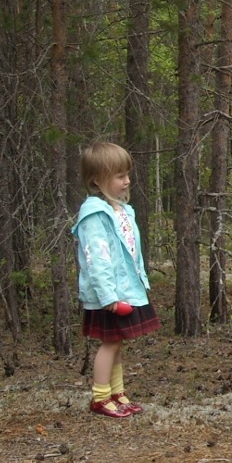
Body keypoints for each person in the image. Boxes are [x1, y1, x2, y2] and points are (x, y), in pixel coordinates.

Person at [72, 141, 159, 418]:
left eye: (127, 174)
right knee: (109, 343)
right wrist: (109, 297)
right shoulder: (95, 215)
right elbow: (97, 260)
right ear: (98, 180)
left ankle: (117, 392)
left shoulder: (122, 210)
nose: (127, 181)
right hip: (108, 296)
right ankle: (100, 397)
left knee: (117, 342)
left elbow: (131, 253)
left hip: (125, 291)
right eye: (120, 176)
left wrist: (139, 284)